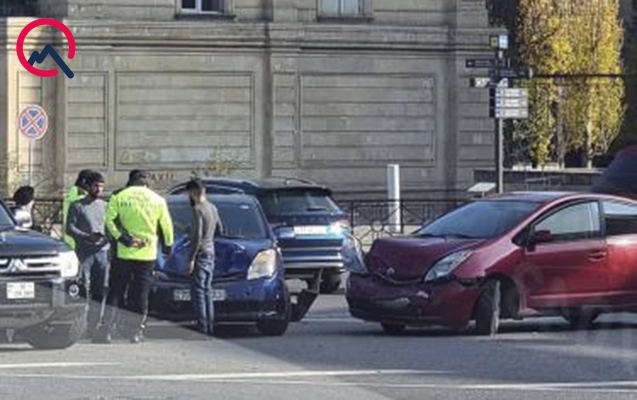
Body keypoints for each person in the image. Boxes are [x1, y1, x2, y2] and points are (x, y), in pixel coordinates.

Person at [98, 170, 174, 344]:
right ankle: (136, 333)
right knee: (141, 294)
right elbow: (167, 226)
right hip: (147, 255)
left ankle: (106, 331)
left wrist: (124, 238)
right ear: (146, 182)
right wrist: (167, 247)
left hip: (123, 253)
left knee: (116, 292)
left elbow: (109, 221)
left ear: (130, 181)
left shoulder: (119, 196)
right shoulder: (158, 200)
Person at [65, 172, 110, 341]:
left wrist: (105, 239)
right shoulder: (77, 206)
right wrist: (86, 236)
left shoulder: (105, 206)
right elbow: (70, 228)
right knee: (82, 288)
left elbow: (110, 227)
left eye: (101, 186)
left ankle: (94, 324)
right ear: (89, 187)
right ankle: (78, 324)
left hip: (102, 253)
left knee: (99, 290)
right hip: (84, 253)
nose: (99, 189)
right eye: (96, 186)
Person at [185, 179, 222, 336]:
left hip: (200, 254)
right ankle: (210, 326)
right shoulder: (213, 208)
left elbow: (197, 236)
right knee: (207, 290)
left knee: (198, 292)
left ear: (194, 192)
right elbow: (220, 230)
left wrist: (191, 259)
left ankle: (202, 327)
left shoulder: (198, 209)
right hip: (211, 252)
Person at [62, 170, 94, 250]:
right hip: (79, 239)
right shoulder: (81, 197)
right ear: (84, 181)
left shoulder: (71, 194)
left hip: (71, 239)